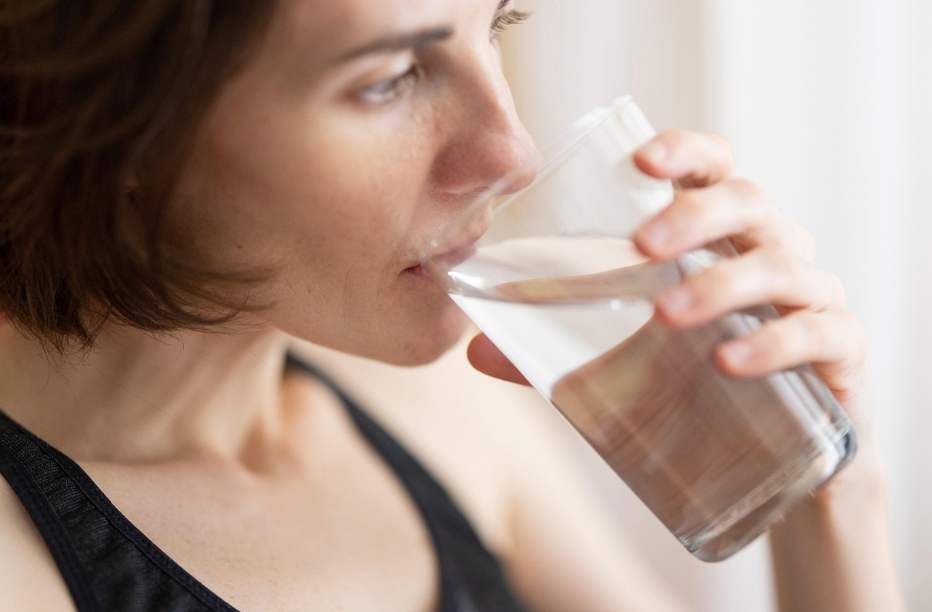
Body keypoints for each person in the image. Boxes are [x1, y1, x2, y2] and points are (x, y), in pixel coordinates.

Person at [0, 0, 906, 610]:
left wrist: (831, 486)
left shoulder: (439, 407)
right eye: (391, 76)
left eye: (497, 21)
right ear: (110, 122)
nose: (512, 151)